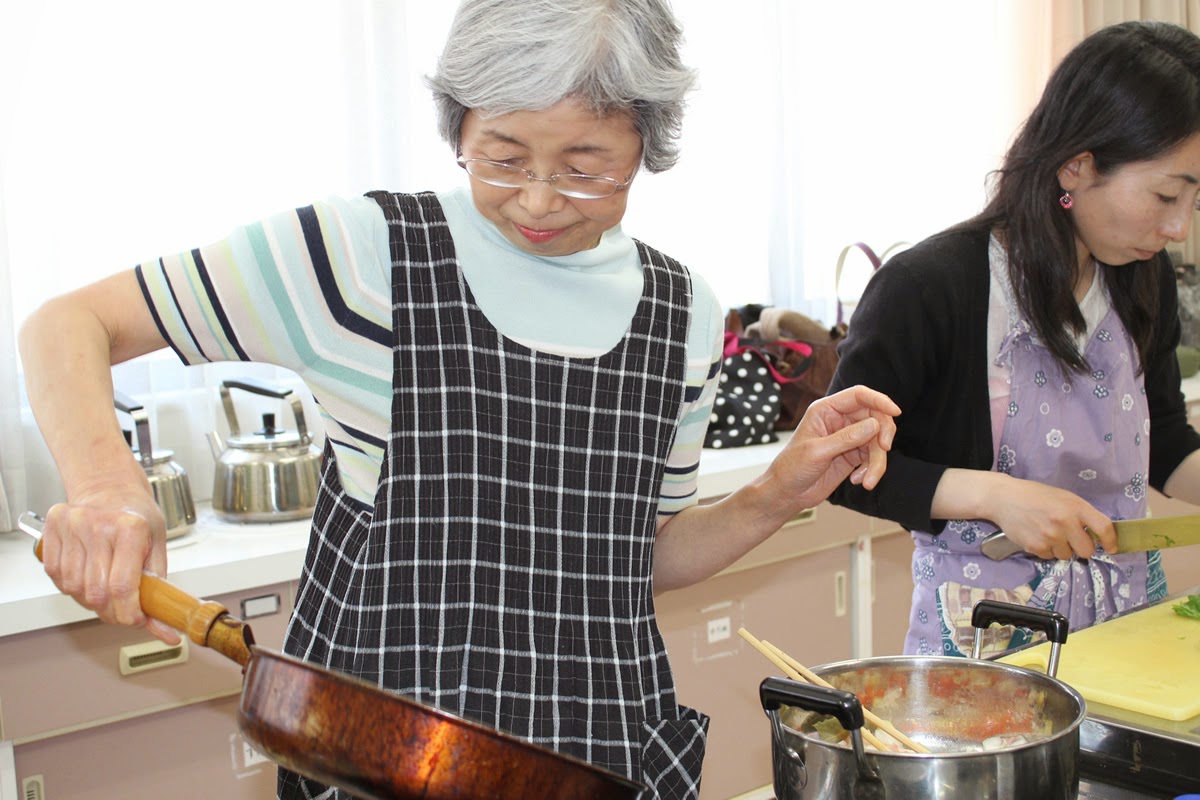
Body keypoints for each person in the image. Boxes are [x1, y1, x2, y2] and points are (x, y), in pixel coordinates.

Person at [18, 1, 899, 796]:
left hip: (594, 756)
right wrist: (105, 487)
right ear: (459, 123)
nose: (538, 201)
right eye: (503, 158)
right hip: (382, 759)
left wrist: (774, 494)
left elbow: (639, 560)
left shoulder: (684, 313)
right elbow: (68, 324)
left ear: (647, 142)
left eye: (586, 168)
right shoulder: (364, 257)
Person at [828, 19, 1200, 658]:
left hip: (1125, 612)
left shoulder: (1144, 277)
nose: (1179, 228)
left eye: (1196, 201)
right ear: (1076, 166)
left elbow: (1163, 435)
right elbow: (843, 465)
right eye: (1166, 195)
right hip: (988, 630)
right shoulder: (932, 285)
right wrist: (994, 497)